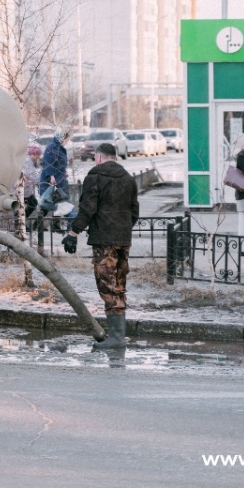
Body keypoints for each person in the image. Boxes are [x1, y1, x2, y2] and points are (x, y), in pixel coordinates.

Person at [63, 142, 139, 348]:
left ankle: (115, 338)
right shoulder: (128, 179)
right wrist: (122, 230)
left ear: (98, 157)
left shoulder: (95, 177)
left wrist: (73, 232)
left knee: (107, 285)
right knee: (120, 285)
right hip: (124, 240)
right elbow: (134, 212)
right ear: (114, 156)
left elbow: (88, 208)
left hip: (104, 241)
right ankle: (118, 335)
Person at [39, 131, 70, 195]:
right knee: (53, 199)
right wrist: (51, 175)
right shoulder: (53, 147)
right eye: (66, 141)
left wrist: (64, 171)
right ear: (62, 139)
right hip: (52, 179)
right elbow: (49, 162)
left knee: (59, 198)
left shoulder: (59, 147)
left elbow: (60, 162)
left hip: (58, 177)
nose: (66, 143)